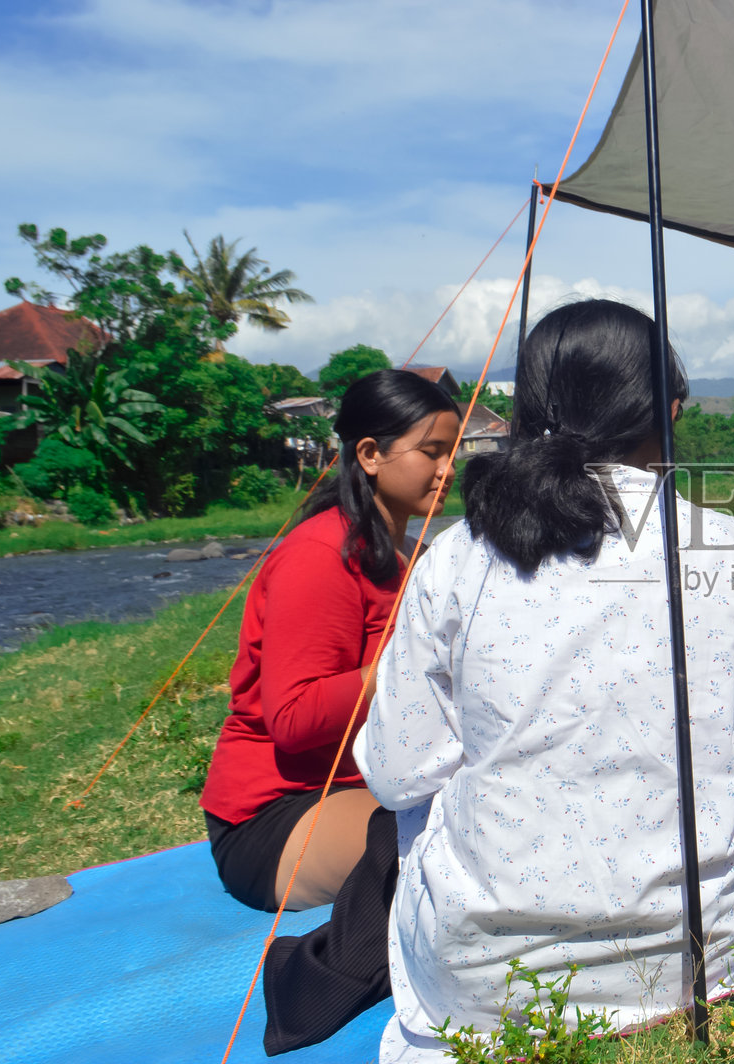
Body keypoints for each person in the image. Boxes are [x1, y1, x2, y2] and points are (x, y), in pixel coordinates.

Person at [354, 299, 734, 1062]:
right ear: (669, 412)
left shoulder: (453, 559)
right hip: (702, 960)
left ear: (526, 412)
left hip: (483, 986)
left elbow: (396, 772)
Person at [199, 369, 461, 1054]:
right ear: (370, 454)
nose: (447, 469)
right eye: (431, 451)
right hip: (275, 816)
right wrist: (397, 668)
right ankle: (308, 978)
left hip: (361, 786)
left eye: (453, 451)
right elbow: (292, 717)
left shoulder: (398, 557)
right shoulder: (320, 556)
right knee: (441, 845)